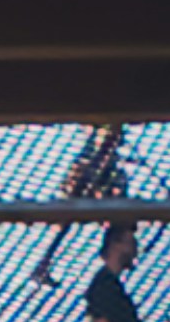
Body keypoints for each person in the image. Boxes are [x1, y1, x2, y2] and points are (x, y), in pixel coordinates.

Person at [27, 122, 134, 286]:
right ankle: (43, 264)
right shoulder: (93, 154)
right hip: (91, 177)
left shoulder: (108, 164)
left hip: (99, 178)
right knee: (69, 216)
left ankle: (44, 263)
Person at [82, 220, 159, 322]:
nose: (135, 250)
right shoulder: (104, 285)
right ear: (117, 245)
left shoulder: (111, 285)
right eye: (131, 243)